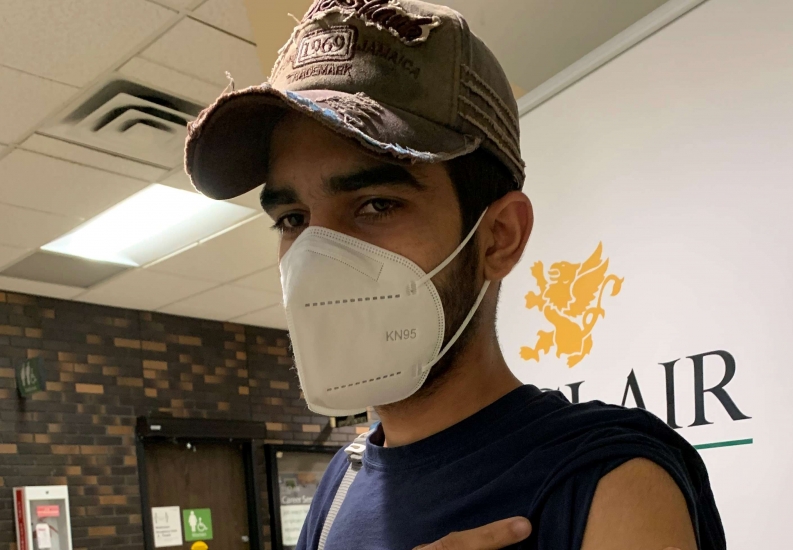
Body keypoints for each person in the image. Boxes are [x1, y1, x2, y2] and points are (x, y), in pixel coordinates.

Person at [183, 1, 725, 548]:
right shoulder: (337, 488)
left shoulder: (603, 479)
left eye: (376, 205)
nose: (317, 258)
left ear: (499, 237)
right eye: (293, 219)